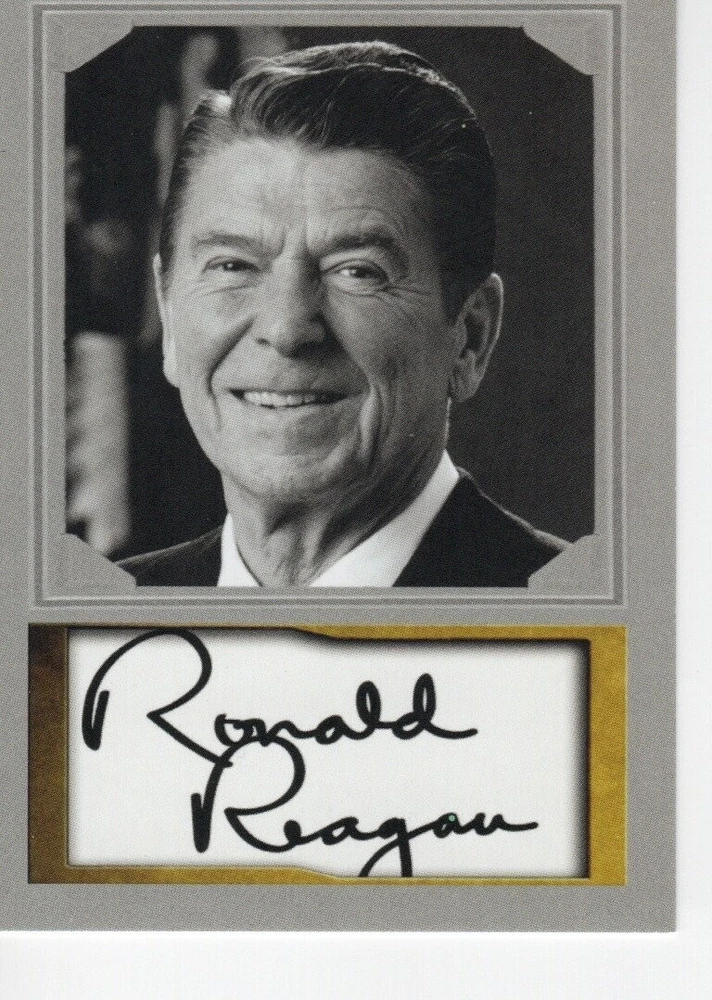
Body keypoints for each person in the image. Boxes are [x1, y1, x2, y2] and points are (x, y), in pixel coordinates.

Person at [119, 40, 566, 587]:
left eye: (357, 272)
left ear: (471, 338)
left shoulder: (584, 620)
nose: (286, 329)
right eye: (233, 266)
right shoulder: (98, 618)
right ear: (168, 314)